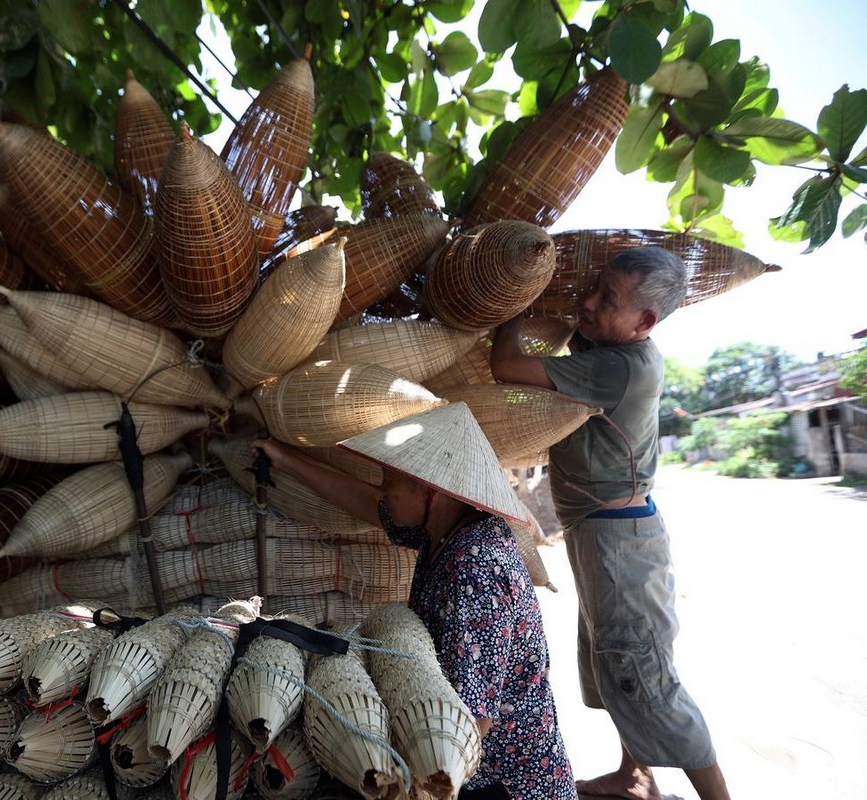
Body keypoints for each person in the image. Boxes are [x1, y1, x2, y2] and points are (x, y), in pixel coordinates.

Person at [490, 246, 731, 800]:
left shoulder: (617, 366)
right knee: (615, 660)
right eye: (593, 287)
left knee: (645, 678)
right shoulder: (605, 346)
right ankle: (634, 776)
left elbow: (505, 365)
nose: (589, 303)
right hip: (603, 533)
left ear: (645, 322)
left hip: (618, 541)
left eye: (609, 300)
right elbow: (570, 334)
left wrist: (512, 308)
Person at [252, 402, 576, 799]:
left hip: (496, 778)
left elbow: (473, 720)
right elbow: (366, 502)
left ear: (431, 490)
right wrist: (284, 460)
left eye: (389, 480)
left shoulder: (475, 567)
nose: (383, 493)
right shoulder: (441, 530)